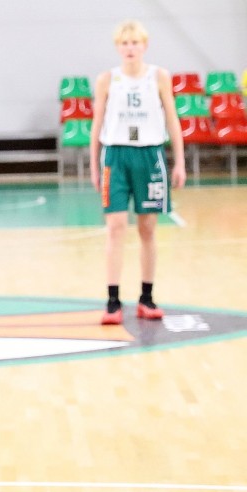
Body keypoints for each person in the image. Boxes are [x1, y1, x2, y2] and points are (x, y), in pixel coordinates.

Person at [89, 19, 185, 325]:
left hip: (149, 154)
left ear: (145, 45)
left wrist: (180, 162)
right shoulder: (107, 79)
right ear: (118, 47)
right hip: (115, 156)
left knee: (147, 228)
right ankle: (113, 301)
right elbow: (96, 124)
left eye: (135, 43)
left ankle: (146, 297)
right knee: (115, 226)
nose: (130, 48)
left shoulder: (159, 76)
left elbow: (172, 119)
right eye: (124, 43)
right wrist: (93, 164)